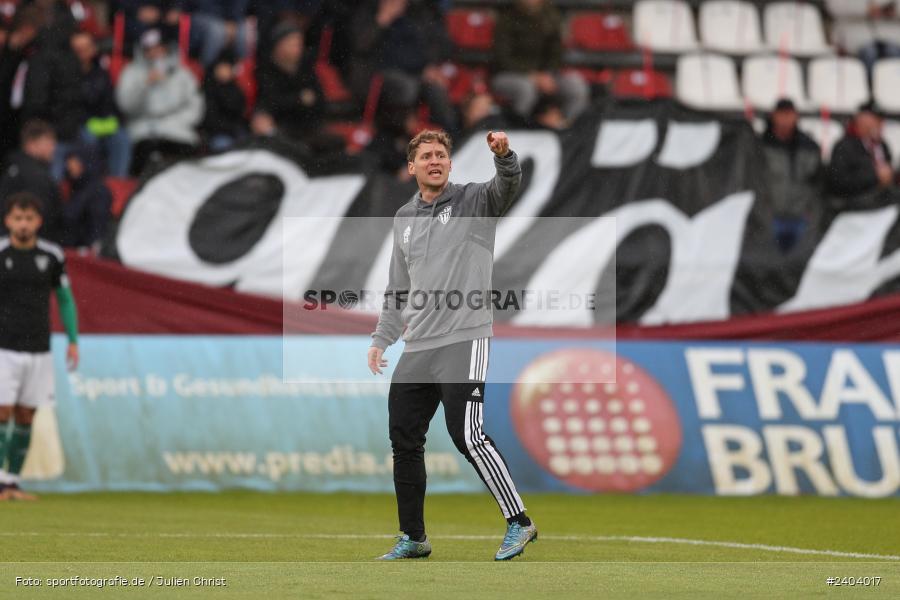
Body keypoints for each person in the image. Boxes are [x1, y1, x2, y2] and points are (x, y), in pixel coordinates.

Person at [367, 129, 537, 561]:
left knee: (468, 435)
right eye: (426, 156)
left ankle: (519, 522)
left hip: (466, 335)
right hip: (419, 345)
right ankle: (413, 537)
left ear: (450, 163)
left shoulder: (473, 202)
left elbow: (508, 186)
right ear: (412, 167)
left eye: (441, 154)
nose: (435, 160)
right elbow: (397, 288)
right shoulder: (404, 218)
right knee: (404, 438)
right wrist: (382, 339)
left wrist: (504, 156)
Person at [0, 192, 79, 501]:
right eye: (18, 218)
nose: (23, 224)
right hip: (3, 347)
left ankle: (12, 482)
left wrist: (73, 340)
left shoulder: (53, 256)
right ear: (8, 221)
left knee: (26, 416)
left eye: (28, 218)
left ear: (38, 222)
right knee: (2, 411)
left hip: (39, 348)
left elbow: (65, 299)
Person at [116, 28, 204, 175]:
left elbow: (195, 106)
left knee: (187, 161)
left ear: (167, 48)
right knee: (145, 160)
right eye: (149, 49)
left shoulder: (182, 73)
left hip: (178, 131)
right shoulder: (131, 72)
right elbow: (126, 106)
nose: (155, 53)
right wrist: (144, 85)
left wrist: (175, 123)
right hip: (143, 132)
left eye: (159, 47)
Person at [491, 0, 589, 122]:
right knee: (525, 89)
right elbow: (503, 59)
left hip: (545, 74)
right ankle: (517, 128)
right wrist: (532, 75)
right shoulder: (506, 19)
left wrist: (547, 74)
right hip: (509, 74)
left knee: (575, 85)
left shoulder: (551, 17)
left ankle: (563, 125)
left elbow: (556, 53)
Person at [759, 98, 823, 253]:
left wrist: (811, 214)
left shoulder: (809, 146)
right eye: (782, 115)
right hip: (770, 219)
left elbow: (818, 183)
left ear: (796, 117)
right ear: (774, 116)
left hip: (801, 219)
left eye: (789, 115)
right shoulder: (761, 146)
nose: (785, 120)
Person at [71, 30, 132, 177]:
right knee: (88, 138)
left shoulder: (101, 72)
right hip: (79, 124)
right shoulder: (65, 74)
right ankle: (93, 182)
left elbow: (110, 102)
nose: (83, 53)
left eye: (87, 48)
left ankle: (117, 182)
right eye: (78, 49)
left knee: (122, 138)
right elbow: (68, 107)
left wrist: (112, 120)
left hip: (102, 122)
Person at [0, 120, 64, 244]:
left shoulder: (11, 167)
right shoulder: (36, 176)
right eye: (49, 142)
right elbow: (44, 217)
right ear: (31, 143)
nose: (53, 147)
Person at [827, 100, 895, 210]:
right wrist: (875, 176)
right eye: (876, 119)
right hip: (853, 208)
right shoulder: (843, 146)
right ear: (861, 119)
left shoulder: (882, 145)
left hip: (880, 205)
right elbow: (837, 183)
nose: (880, 124)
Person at [61, 144, 112, 250]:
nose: (70, 165)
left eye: (75, 161)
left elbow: (97, 229)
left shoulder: (98, 192)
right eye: (69, 161)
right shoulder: (76, 188)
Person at [201, 48, 247, 151]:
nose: (224, 71)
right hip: (216, 134)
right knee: (223, 146)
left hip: (236, 132)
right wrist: (231, 129)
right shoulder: (208, 89)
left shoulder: (236, 89)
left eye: (228, 68)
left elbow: (240, 113)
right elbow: (210, 119)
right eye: (222, 67)